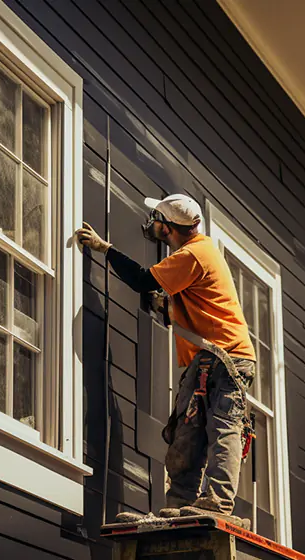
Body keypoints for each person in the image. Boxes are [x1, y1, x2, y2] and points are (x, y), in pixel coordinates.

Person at [75, 193, 257, 527]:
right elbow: (193, 304)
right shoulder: (194, 256)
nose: (152, 224)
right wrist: (165, 306)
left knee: (222, 429)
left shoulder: (194, 254)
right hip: (206, 359)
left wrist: (105, 249)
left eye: (156, 219)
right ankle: (181, 503)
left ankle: (217, 503)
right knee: (185, 433)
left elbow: (143, 279)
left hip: (228, 359)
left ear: (167, 227)